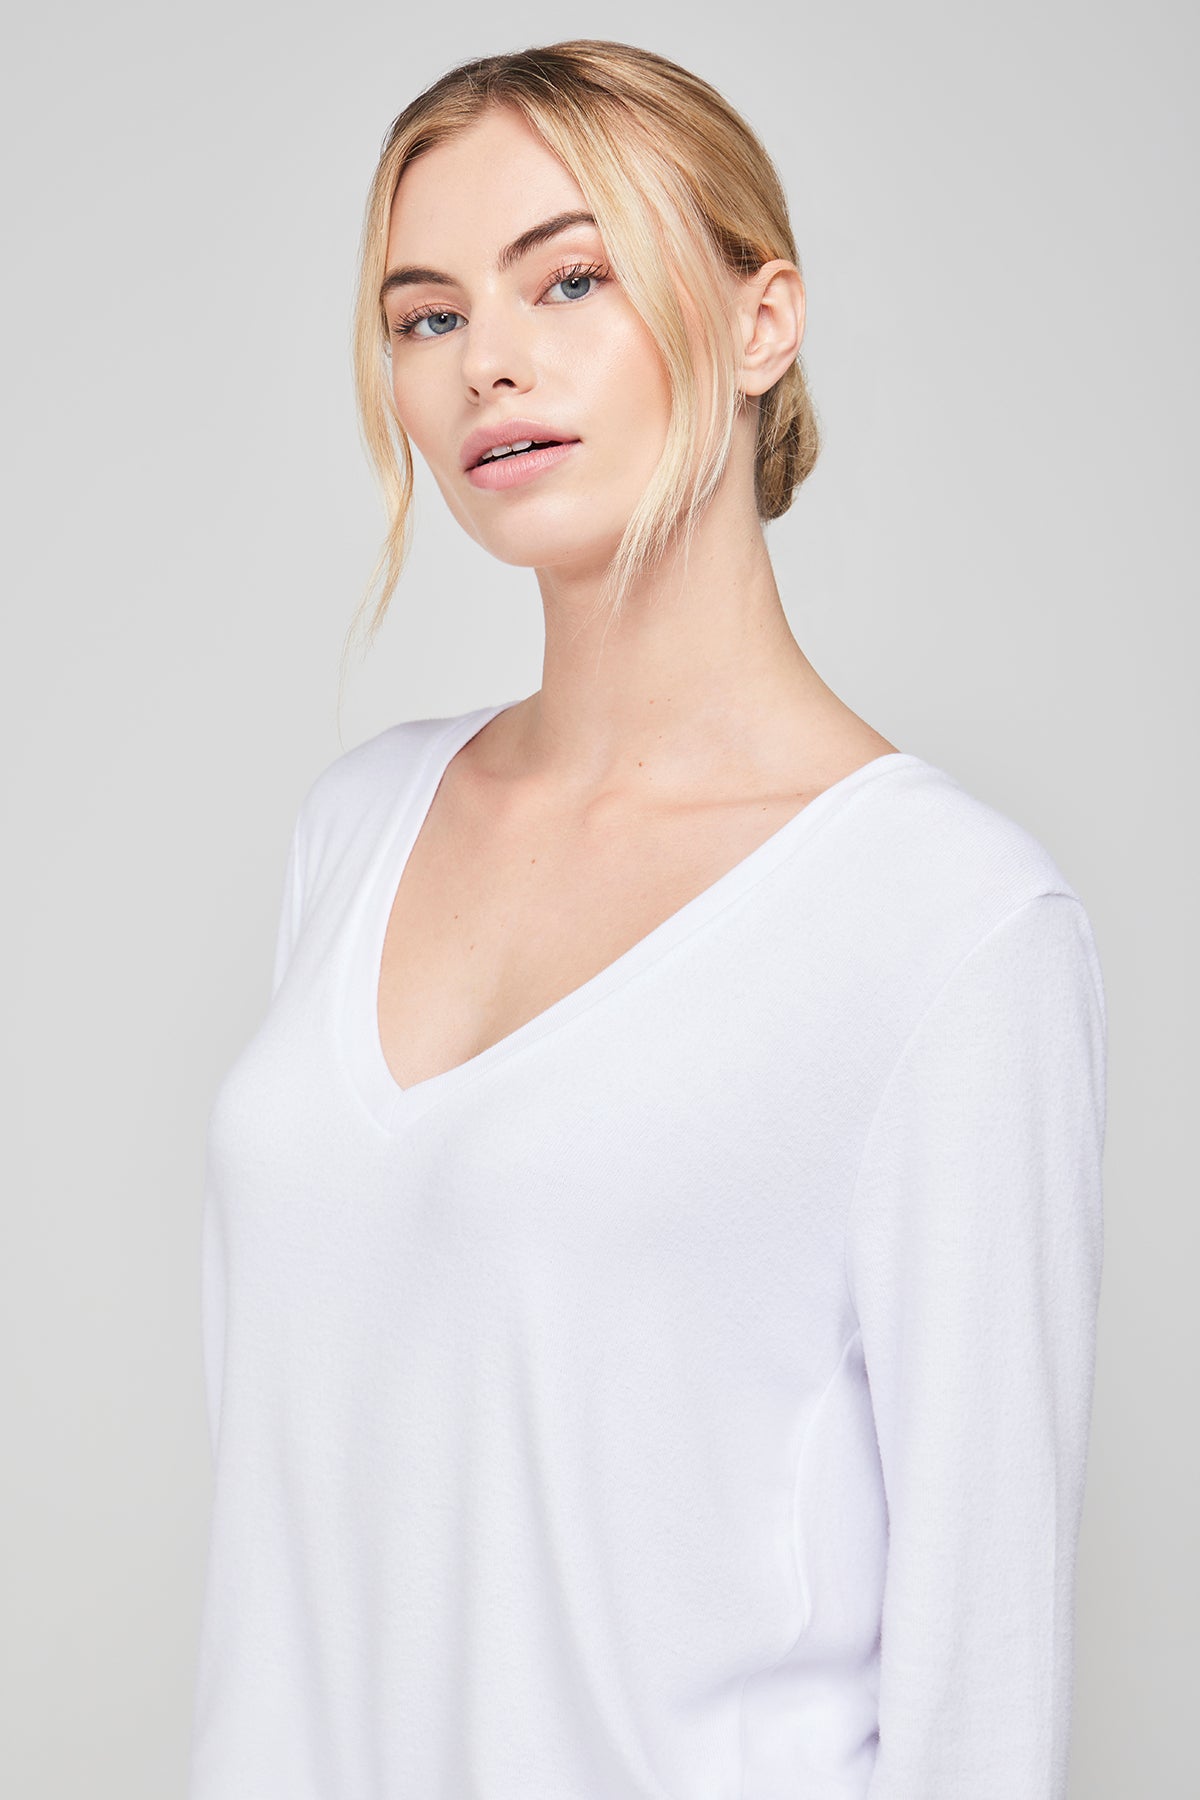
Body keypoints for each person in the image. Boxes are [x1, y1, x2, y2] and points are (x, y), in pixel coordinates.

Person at [186, 39, 1107, 1800]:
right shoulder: (357, 828)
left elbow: (983, 1676)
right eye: (427, 316)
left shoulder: (950, 923)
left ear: (764, 323)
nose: (488, 361)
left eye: (569, 279)